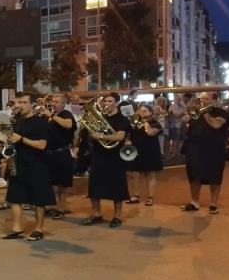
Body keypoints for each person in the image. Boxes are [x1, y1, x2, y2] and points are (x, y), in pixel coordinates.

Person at [0, 93, 54, 241]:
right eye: (18, 103)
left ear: (32, 104)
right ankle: (17, 228)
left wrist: (22, 139)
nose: (19, 105)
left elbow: (42, 145)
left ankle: (38, 229)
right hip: (18, 164)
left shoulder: (40, 122)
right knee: (14, 197)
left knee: (39, 200)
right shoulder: (18, 122)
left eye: (23, 102)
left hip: (37, 164)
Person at [82, 93, 131, 228]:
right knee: (94, 186)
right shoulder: (101, 117)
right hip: (99, 155)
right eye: (105, 101)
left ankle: (117, 217)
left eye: (110, 101)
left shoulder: (122, 119)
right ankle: (96, 214)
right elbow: (92, 136)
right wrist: (91, 134)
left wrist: (101, 136)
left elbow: (120, 137)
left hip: (115, 157)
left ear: (116, 103)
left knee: (117, 187)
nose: (106, 103)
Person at [181, 92, 229, 214]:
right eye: (200, 99)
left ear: (213, 100)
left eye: (206, 99)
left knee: (215, 176)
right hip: (195, 149)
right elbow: (186, 131)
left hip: (214, 150)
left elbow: (215, 125)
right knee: (194, 175)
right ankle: (194, 202)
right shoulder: (195, 114)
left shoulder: (220, 112)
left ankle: (213, 204)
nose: (202, 101)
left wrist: (205, 112)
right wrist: (184, 123)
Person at [43, 93, 77, 219]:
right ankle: (51, 206)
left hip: (62, 153)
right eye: (52, 101)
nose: (53, 103)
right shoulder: (49, 116)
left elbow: (68, 125)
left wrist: (51, 116)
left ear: (63, 104)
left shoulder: (66, 114)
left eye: (56, 101)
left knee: (62, 184)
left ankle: (61, 209)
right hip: (49, 153)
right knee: (50, 182)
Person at [126, 104, 164, 206]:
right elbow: (129, 135)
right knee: (134, 173)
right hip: (136, 150)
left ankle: (150, 197)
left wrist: (145, 122)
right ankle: (135, 195)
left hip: (150, 151)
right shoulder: (135, 122)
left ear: (150, 113)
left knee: (150, 174)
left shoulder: (155, 123)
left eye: (145, 111)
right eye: (140, 111)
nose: (142, 113)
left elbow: (150, 133)